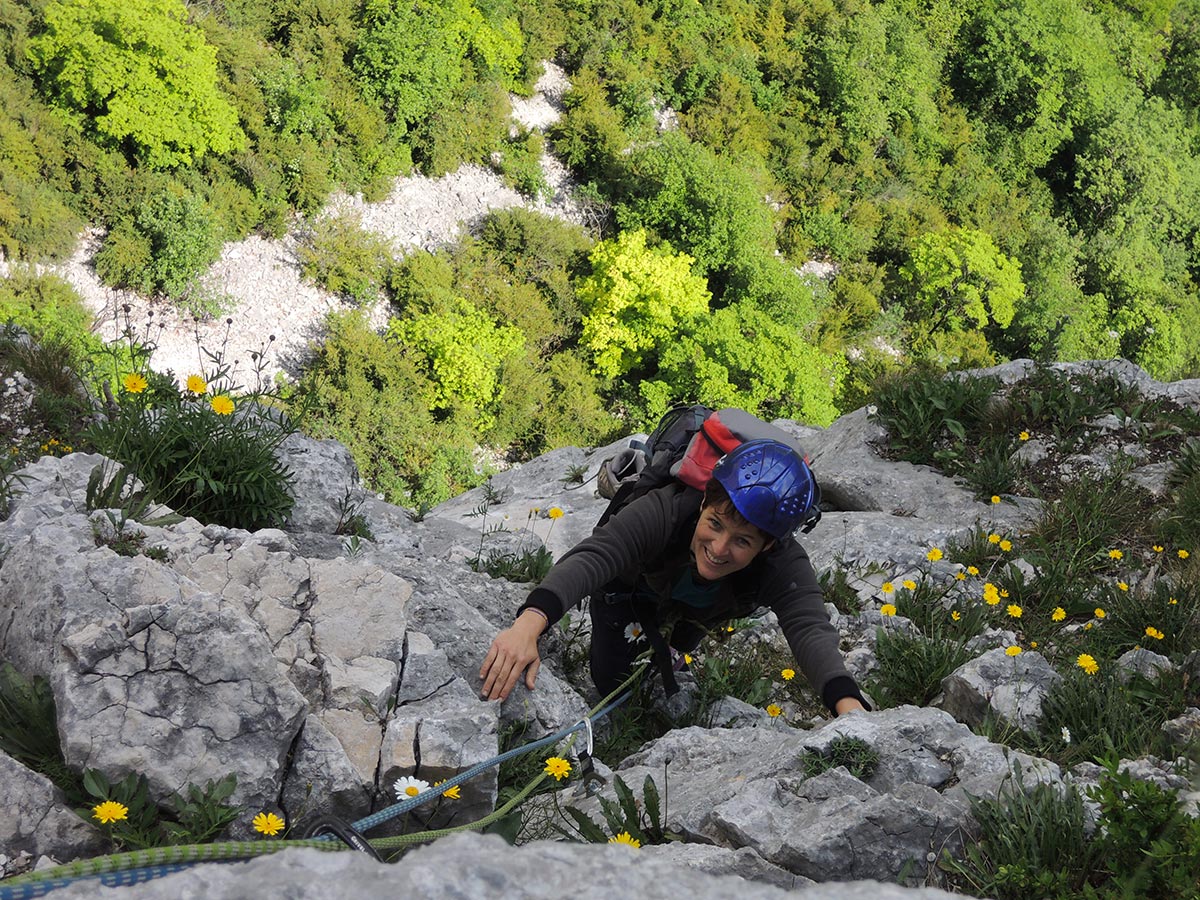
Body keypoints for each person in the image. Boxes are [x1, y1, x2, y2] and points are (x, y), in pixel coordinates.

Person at [479, 439, 869, 716]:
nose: (718, 547)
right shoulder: (665, 510)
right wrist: (528, 626)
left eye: (742, 541)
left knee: (681, 640)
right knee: (612, 682)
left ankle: (671, 646)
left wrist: (846, 704)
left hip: (704, 605)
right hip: (629, 589)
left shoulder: (783, 562)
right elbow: (597, 555)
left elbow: (809, 628)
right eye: (714, 524)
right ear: (703, 502)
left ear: (767, 547)